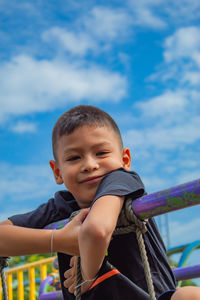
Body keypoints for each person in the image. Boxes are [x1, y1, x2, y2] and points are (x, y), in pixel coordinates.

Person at [0, 105, 199, 300]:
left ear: (125, 160)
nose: (90, 165)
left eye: (101, 153)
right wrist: (60, 239)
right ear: (57, 172)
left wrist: (87, 276)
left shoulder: (120, 179)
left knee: (188, 295)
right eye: (74, 157)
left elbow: (96, 230)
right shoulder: (61, 206)